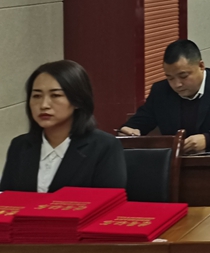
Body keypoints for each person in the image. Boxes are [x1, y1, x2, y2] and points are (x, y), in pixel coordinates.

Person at [1, 60, 126, 192]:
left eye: (55, 95)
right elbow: (7, 199)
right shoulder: (20, 146)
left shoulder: (104, 146)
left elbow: (108, 200)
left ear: (77, 101)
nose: (44, 105)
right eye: (37, 96)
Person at [120, 40, 210, 152]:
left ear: (201, 66)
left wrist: (209, 139)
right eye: (170, 78)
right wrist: (129, 130)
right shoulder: (161, 91)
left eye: (183, 76)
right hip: (175, 165)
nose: (177, 84)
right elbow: (138, 123)